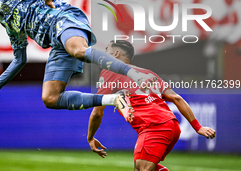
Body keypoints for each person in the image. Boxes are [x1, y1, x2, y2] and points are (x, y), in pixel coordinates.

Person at [0, 0, 154, 118]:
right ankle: (115, 99)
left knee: (79, 51)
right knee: (50, 98)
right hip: (56, 42)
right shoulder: (8, 23)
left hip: (63, 19)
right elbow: (20, 58)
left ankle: (135, 74)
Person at [87, 40, 216, 171]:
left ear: (116, 54)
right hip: (172, 127)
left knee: (142, 168)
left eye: (106, 51)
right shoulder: (148, 74)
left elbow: (97, 112)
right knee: (145, 167)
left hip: (154, 127)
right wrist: (197, 127)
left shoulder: (110, 71)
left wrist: (91, 137)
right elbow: (176, 98)